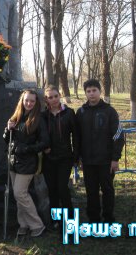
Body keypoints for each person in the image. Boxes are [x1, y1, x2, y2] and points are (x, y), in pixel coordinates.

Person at [76, 79, 125, 223]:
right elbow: (77, 137)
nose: (91, 94)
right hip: (88, 161)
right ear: (85, 93)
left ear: (100, 91)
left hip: (106, 161)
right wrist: (78, 156)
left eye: (94, 90)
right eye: (88, 91)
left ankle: (108, 218)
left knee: (107, 191)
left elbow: (118, 135)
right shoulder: (81, 112)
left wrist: (115, 159)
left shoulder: (109, 111)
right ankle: (94, 219)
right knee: (91, 192)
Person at [4, 89, 49, 237]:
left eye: (32, 101)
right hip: (13, 161)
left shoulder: (38, 119)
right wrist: (7, 130)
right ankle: (23, 224)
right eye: (26, 100)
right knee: (19, 196)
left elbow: (45, 142)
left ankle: (37, 225)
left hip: (28, 162)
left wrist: (27, 149)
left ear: (36, 103)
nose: (29, 103)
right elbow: (7, 139)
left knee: (19, 193)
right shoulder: (16, 117)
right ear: (22, 101)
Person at [42, 85, 80, 227]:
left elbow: (76, 135)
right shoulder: (43, 115)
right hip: (48, 158)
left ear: (60, 96)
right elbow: (40, 135)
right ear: (46, 99)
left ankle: (69, 220)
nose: (53, 99)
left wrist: (76, 156)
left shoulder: (69, 113)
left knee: (62, 188)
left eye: (55, 96)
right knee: (52, 190)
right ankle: (56, 220)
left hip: (65, 157)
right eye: (50, 97)